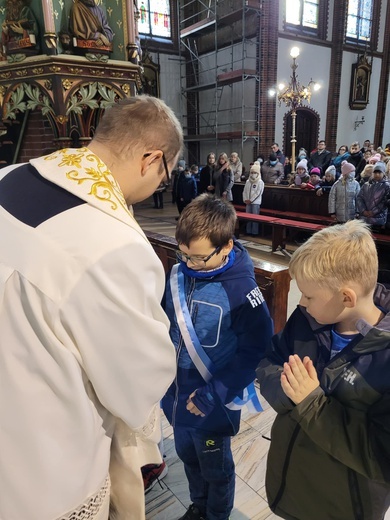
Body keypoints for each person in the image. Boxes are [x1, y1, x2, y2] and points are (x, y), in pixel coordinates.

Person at [0, 95, 182, 520]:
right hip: (42, 465)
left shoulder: (8, 175)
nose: (160, 185)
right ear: (150, 159)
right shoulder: (114, 245)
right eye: (165, 174)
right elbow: (137, 381)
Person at [257, 219, 390, 520]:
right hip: (292, 481)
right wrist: (288, 394)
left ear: (346, 298)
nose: (301, 302)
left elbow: (382, 456)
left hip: (343, 504)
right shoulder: (309, 319)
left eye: (308, 295)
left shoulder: (384, 358)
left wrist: (311, 403)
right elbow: (270, 360)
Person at [162, 194, 273, 520]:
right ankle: (199, 505)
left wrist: (216, 393)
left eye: (198, 258)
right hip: (176, 392)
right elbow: (164, 321)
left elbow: (255, 350)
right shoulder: (179, 273)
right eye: (182, 255)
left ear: (225, 246)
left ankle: (216, 515)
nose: (188, 265)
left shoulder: (241, 291)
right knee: (187, 455)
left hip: (213, 398)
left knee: (216, 467)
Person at [357, 161, 390, 228]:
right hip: (364, 218)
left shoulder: (387, 186)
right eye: (375, 172)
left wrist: (373, 212)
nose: (377, 174)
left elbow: (384, 202)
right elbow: (360, 198)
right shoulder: (366, 185)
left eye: (379, 172)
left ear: (383, 173)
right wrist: (363, 211)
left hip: (378, 219)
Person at [243, 161, 264, 236]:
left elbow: (258, 193)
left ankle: (254, 232)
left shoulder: (260, 182)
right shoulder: (248, 181)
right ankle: (248, 231)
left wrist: (251, 200)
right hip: (247, 202)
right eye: (252, 172)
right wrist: (245, 199)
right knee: (248, 217)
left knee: (255, 217)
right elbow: (245, 191)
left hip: (255, 203)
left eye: (255, 172)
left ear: (258, 173)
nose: (253, 174)